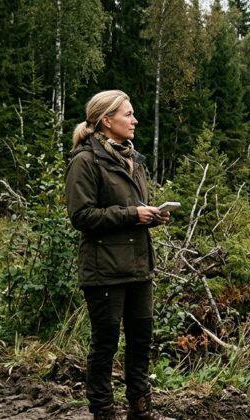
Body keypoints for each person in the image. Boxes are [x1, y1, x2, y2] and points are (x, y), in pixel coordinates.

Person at [65, 90, 172, 420]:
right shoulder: (85, 161)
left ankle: (140, 408)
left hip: (139, 266)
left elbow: (133, 210)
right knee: (105, 344)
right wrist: (131, 215)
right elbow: (81, 216)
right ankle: (103, 410)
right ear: (106, 120)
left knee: (141, 340)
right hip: (104, 270)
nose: (134, 120)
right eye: (128, 114)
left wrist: (151, 216)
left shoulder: (133, 160)